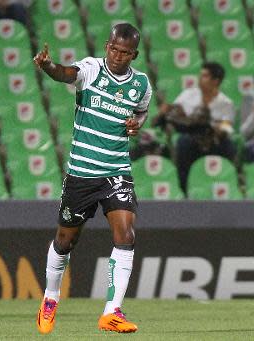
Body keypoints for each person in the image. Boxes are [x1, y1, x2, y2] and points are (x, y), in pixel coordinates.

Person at [33, 23, 152, 334]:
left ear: (134, 55)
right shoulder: (91, 69)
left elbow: (141, 111)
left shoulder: (140, 84)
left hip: (116, 171)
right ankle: (50, 297)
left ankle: (112, 311)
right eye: (114, 49)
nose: (118, 56)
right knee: (65, 240)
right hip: (82, 174)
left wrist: (136, 123)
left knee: (125, 234)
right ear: (106, 46)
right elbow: (64, 74)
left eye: (125, 53)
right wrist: (48, 66)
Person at [154, 62, 236, 195]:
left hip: (213, 139)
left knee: (229, 146)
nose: (200, 78)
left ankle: (226, 185)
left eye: (204, 76)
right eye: (201, 75)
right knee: (183, 142)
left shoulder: (226, 103)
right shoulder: (188, 94)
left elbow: (226, 128)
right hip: (191, 136)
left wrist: (214, 129)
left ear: (216, 81)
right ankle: (184, 189)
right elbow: (175, 114)